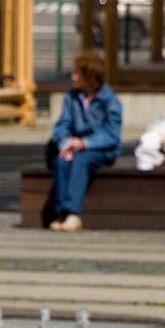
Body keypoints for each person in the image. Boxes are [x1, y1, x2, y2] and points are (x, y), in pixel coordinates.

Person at [46, 51, 122, 232]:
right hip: (75, 146)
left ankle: (73, 213)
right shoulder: (71, 98)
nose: (73, 77)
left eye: (77, 73)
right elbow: (62, 126)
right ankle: (61, 213)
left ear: (89, 77)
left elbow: (111, 134)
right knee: (62, 160)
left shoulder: (109, 101)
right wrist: (66, 143)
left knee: (81, 160)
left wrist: (84, 143)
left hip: (101, 149)